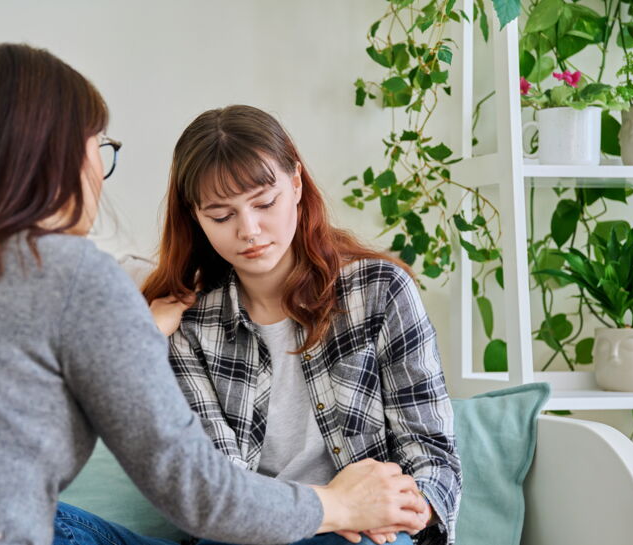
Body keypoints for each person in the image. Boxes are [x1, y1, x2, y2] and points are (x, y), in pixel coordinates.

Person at [0, 45, 429, 545]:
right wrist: (339, 503)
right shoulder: (68, 273)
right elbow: (198, 490)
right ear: (57, 156)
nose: (101, 168)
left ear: (295, 185)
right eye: (100, 147)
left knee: (53, 518)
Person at [139, 105, 461, 545]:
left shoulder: (380, 290)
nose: (249, 230)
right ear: (196, 217)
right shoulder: (188, 325)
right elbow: (221, 495)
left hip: (364, 539)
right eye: (221, 215)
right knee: (50, 520)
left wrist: (400, 510)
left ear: (295, 183)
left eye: (264, 203)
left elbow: (433, 455)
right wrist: (334, 506)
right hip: (245, 539)